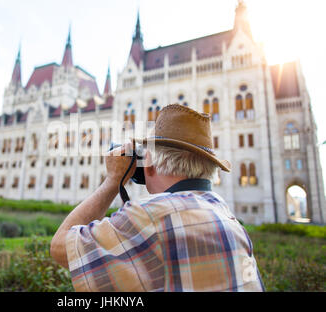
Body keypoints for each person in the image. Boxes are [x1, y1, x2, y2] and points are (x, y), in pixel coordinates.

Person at [50, 104, 264, 292]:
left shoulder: (150, 216)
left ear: (150, 164)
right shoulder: (230, 220)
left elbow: (61, 247)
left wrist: (114, 180)